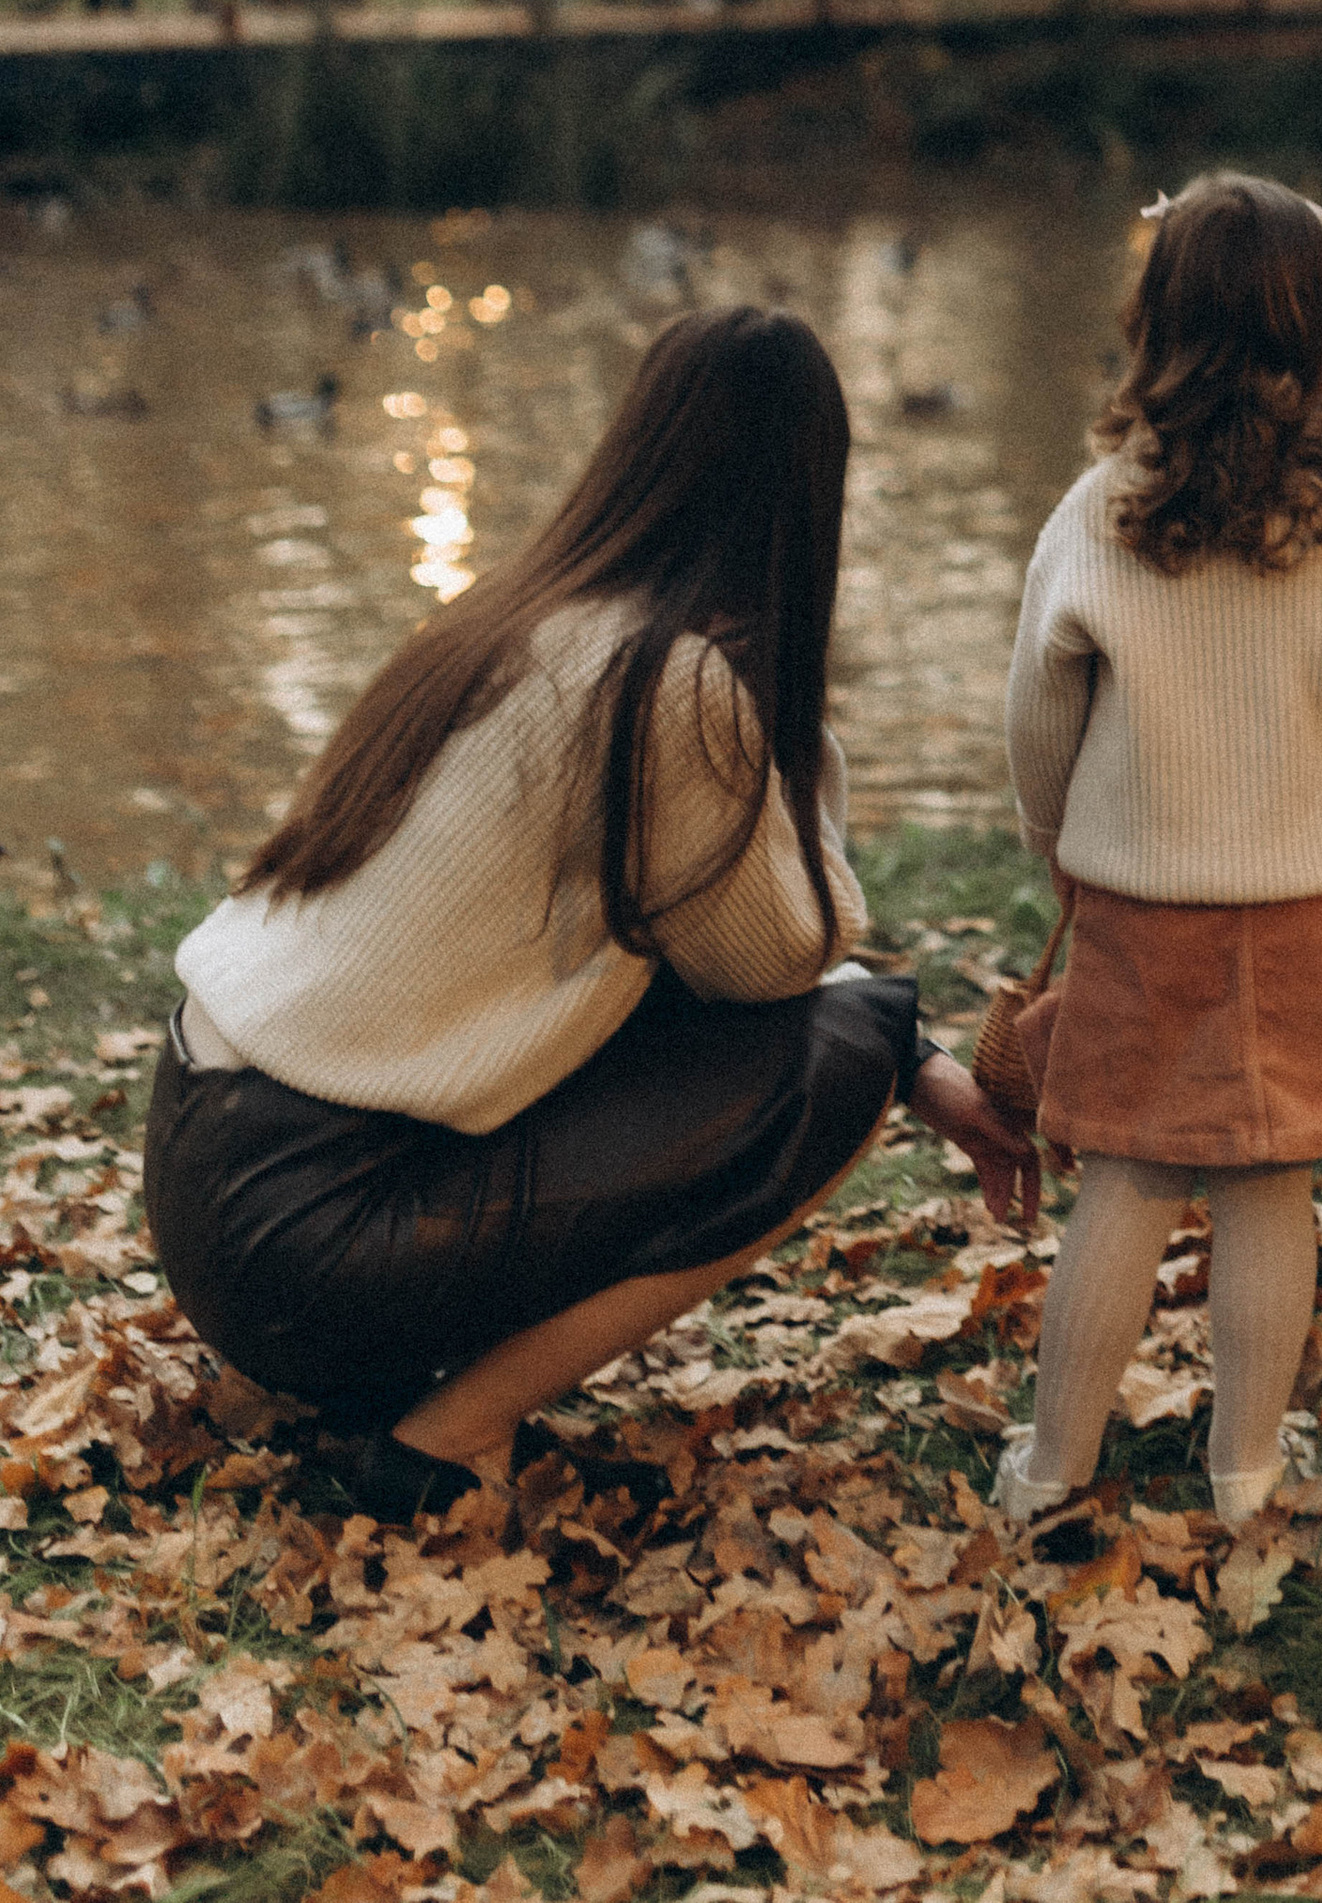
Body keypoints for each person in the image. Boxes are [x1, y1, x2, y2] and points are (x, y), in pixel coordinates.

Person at [144, 307, 1036, 1520]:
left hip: (209, 1165)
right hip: (305, 1245)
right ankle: (445, 1439)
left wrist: (922, 1057)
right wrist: (795, 746)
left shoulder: (515, 615)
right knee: (831, 1064)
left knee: (866, 1032)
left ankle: (429, 1394)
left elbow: (690, 965)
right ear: (802, 498)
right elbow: (789, 958)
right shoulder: (670, 681)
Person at [996, 174, 1322, 1525]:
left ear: (1155, 321)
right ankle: (1247, 1469)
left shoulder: (1101, 511)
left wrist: (1056, 841)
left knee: (1126, 1172)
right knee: (1270, 1177)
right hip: (1311, 900)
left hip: (1145, 893)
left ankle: (1050, 1463)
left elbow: (1039, 705)